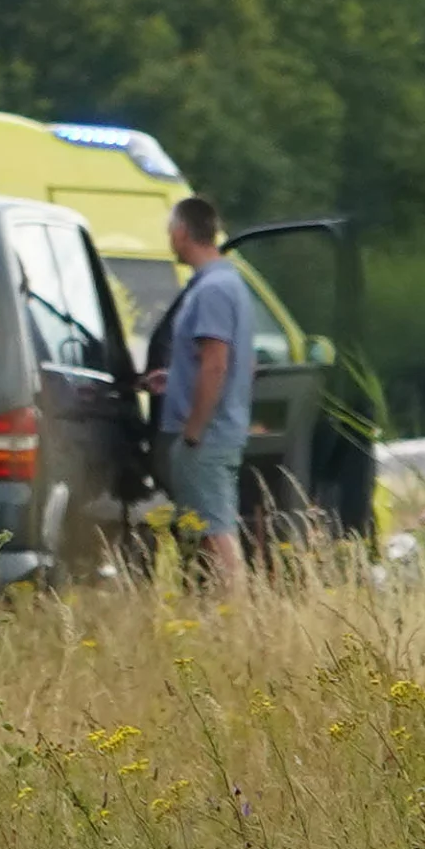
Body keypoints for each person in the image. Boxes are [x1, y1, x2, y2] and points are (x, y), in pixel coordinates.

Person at [150, 196, 253, 592]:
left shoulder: (212, 289)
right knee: (209, 525)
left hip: (206, 435)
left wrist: (193, 430)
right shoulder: (228, 283)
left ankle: (236, 612)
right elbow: (230, 361)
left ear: (181, 233)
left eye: (170, 234)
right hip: (219, 428)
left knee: (214, 529)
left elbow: (215, 363)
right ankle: (226, 611)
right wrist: (174, 378)